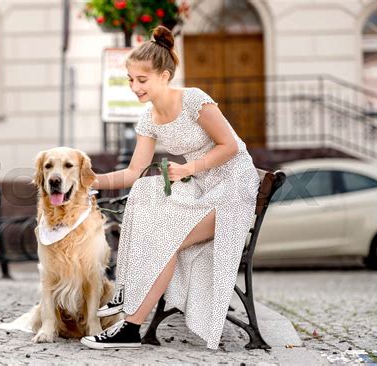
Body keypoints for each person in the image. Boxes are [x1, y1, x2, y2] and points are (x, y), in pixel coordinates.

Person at [81, 25, 260, 350]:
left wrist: (189, 168)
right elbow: (134, 172)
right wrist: (91, 181)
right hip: (203, 188)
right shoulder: (149, 119)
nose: (134, 87)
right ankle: (126, 295)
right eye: (130, 79)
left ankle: (131, 326)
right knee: (144, 195)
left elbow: (230, 146)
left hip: (233, 188)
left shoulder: (193, 99)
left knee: (166, 238)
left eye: (141, 80)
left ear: (164, 75)